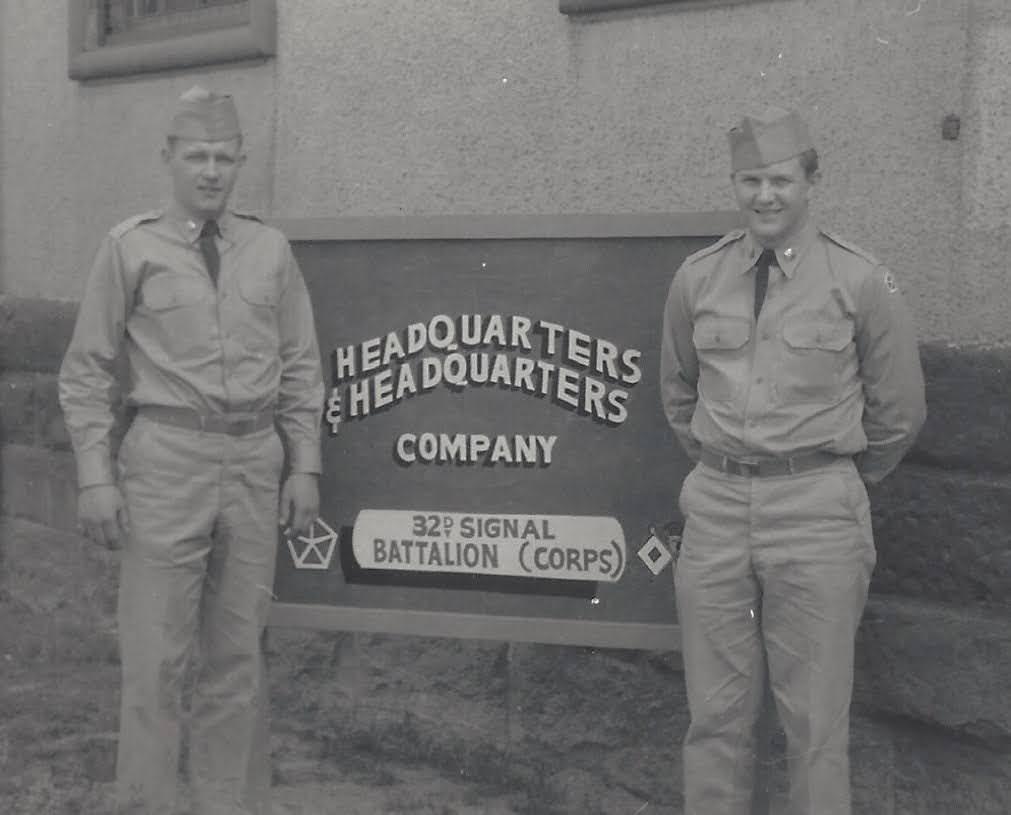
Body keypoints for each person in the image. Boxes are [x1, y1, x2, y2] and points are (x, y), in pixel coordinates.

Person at [59, 86, 325, 815]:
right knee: (155, 661)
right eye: (197, 156)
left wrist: (304, 463)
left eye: (224, 158)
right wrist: (94, 474)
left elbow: (301, 363)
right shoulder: (129, 248)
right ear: (169, 159)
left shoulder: (269, 249)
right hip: (165, 459)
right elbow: (86, 370)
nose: (211, 172)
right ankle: (144, 804)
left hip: (252, 460)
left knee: (237, 659)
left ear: (241, 162)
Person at [660, 107, 926, 815]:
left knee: (813, 726)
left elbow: (898, 412)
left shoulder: (861, 280)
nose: (763, 196)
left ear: (811, 180)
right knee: (713, 718)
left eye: (779, 179)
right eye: (748, 180)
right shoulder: (697, 278)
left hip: (816, 509)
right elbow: (678, 392)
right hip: (715, 509)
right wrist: (726, 469)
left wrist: (830, 479)